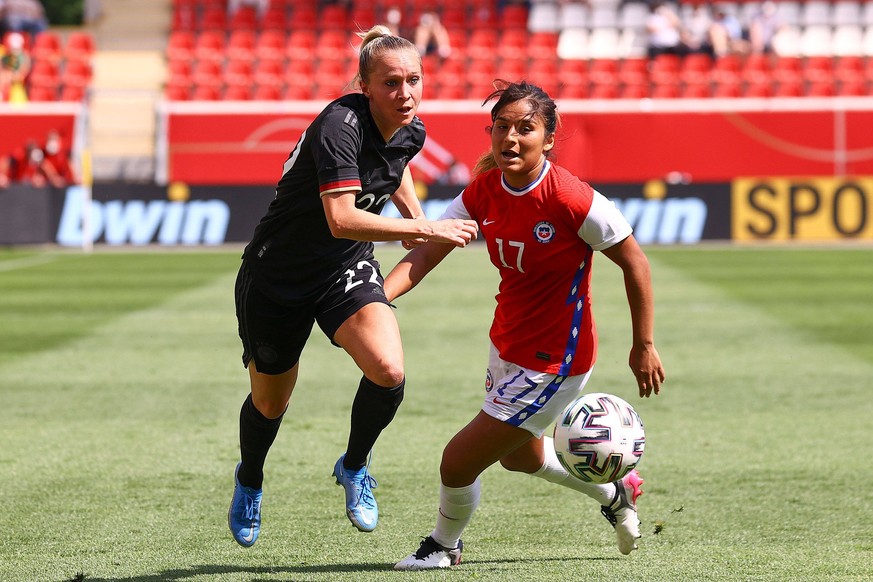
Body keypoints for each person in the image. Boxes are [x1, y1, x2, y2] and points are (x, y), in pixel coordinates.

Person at [385, 80, 666, 570]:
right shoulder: (485, 190)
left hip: (555, 359)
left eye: (525, 128)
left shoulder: (572, 199)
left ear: (549, 138)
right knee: (520, 457)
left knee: (458, 460)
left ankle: (443, 546)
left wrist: (643, 344)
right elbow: (429, 250)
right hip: (508, 344)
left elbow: (636, 263)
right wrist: (375, 300)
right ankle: (615, 492)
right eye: (501, 127)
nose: (511, 138)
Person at [227, 24, 479, 548]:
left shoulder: (411, 128)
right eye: (390, 83)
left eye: (414, 80)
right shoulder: (339, 127)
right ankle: (250, 477)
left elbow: (398, 161)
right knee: (270, 403)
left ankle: (354, 466)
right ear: (365, 85)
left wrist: (412, 208)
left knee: (388, 371)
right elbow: (342, 218)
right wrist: (425, 227)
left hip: (343, 268)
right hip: (277, 276)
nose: (404, 93)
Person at [0, 31, 30, 102]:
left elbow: (22, 73)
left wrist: (13, 76)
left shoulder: (24, 57)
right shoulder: (4, 57)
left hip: (17, 88)